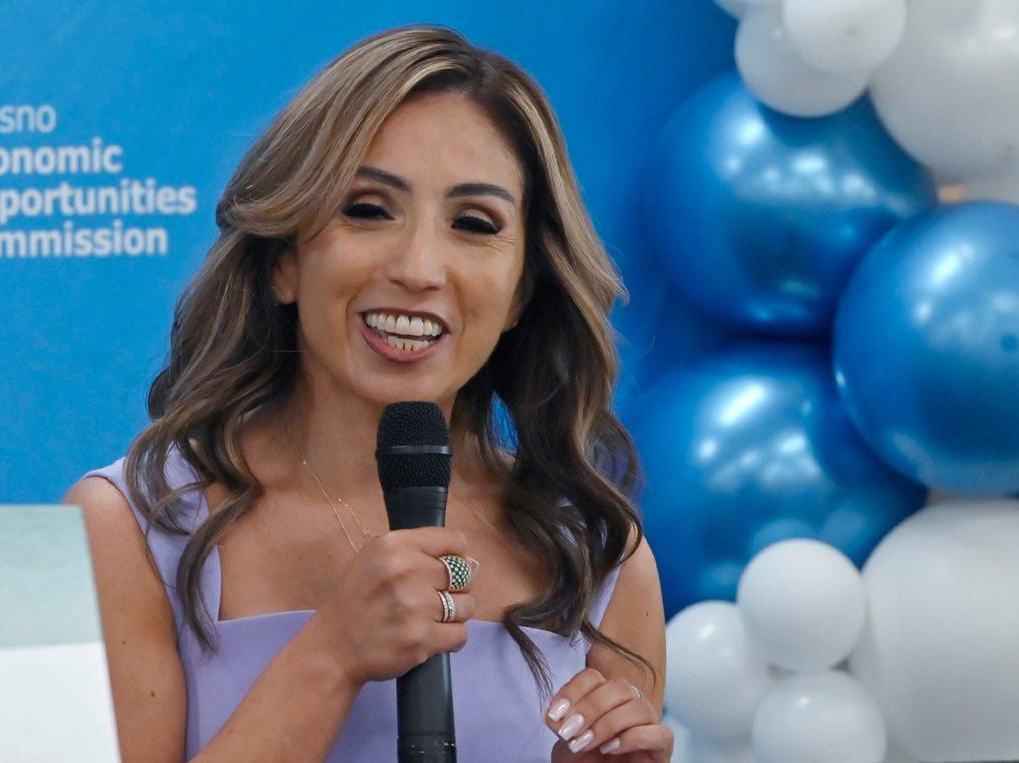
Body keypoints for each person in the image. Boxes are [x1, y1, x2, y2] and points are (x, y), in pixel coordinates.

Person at [66, 23, 673, 762]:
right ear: (284, 259)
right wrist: (331, 653)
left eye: (474, 224)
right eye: (367, 209)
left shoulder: (600, 557)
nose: (419, 267)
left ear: (521, 292)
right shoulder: (128, 529)